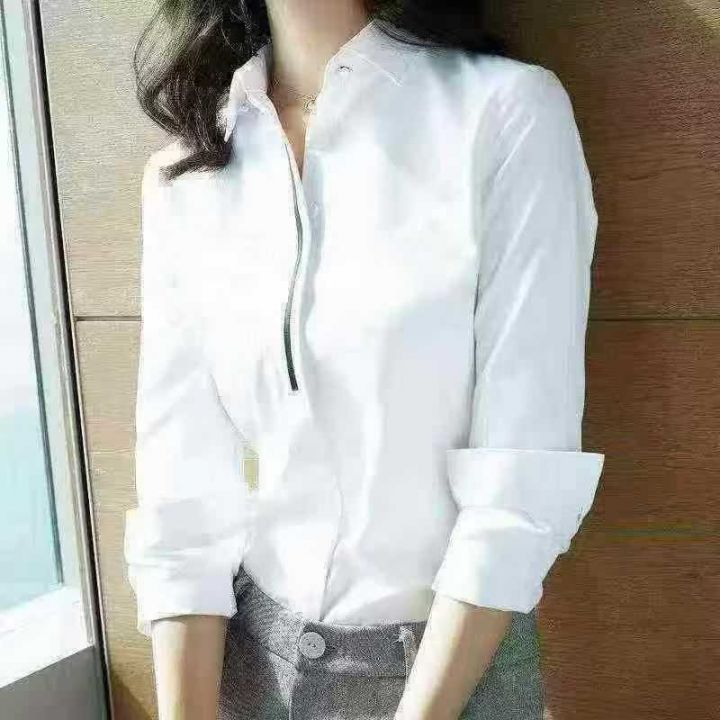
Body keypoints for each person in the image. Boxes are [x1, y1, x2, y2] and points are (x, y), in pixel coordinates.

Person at [124, 1, 605, 718]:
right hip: (246, 671)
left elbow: (521, 485)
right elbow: (182, 502)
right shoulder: (187, 173)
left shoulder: (504, 112)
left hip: (450, 682)